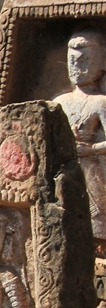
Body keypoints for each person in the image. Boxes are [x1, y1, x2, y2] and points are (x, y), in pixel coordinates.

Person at [54, 28, 106, 254]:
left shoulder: (100, 103)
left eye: (85, 59)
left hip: (92, 171)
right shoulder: (60, 102)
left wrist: (92, 149)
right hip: (64, 170)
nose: (77, 65)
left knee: (95, 223)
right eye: (72, 59)